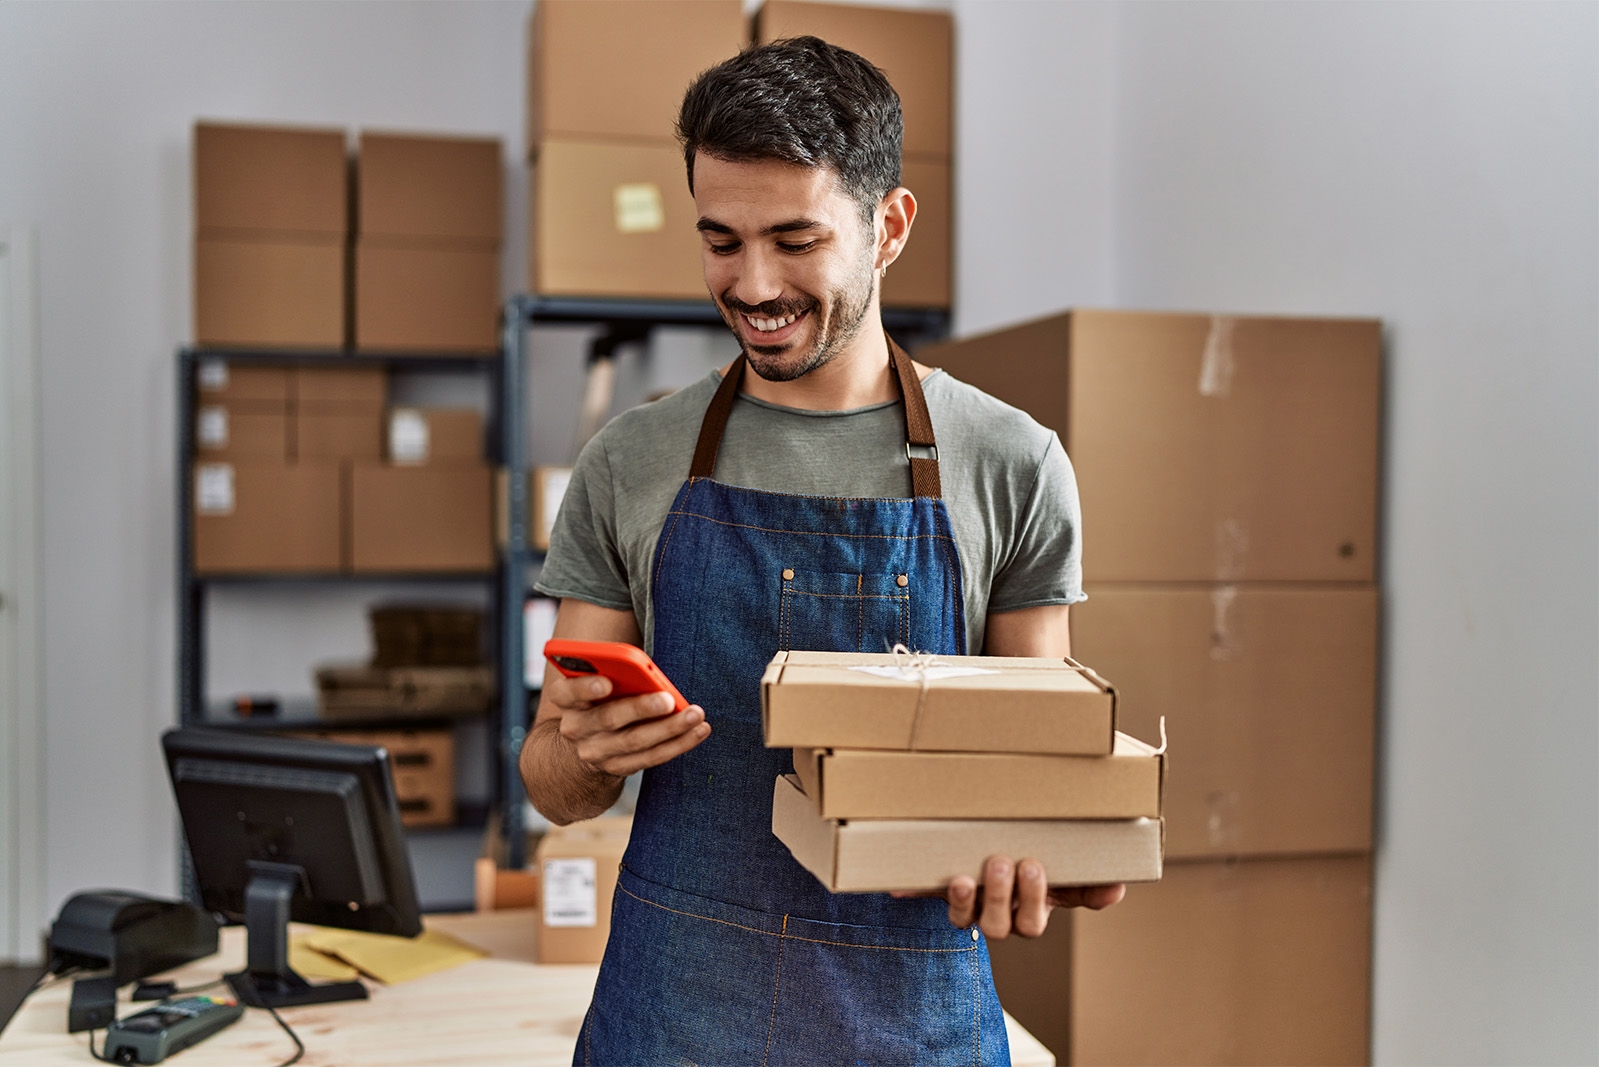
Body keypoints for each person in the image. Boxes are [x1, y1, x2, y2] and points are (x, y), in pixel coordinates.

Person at [520, 35, 1123, 1065]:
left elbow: (1039, 771)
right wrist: (578, 756)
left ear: (888, 227)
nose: (753, 284)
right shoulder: (630, 459)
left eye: (796, 240)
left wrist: (1043, 848)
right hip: (674, 1019)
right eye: (721, 240)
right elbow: (550, 773)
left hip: (912, 1025)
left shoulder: (1012, 464)